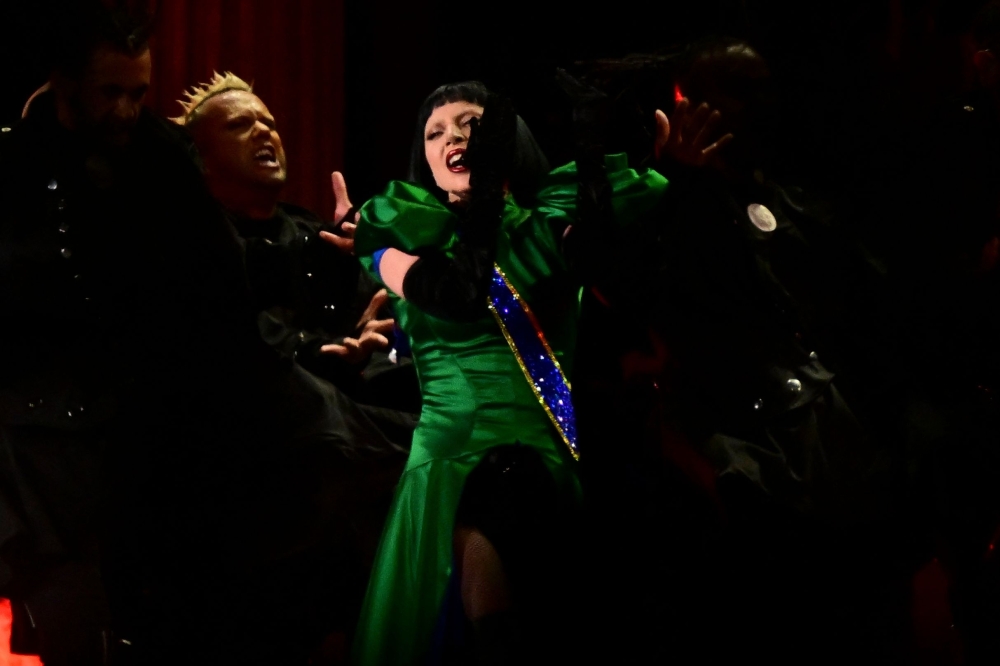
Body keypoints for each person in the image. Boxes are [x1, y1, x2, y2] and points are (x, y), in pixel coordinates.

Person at [0, 4, 390, 664]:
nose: (126, 110)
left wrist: (333, 267)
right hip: (40, 461)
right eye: (109, 92)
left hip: (142, 458)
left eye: (138, 92)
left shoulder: (158, 158)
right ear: (63, 83)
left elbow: (221, 291)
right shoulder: (13, 165)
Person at [332, 79, 726, 665]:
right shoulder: (399, 230)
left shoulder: (548, 220)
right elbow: (458, 295)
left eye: (471, 124)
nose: (453, 138)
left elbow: (620, 267)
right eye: (435, 132)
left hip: (540, 459)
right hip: (444, 464)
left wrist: (681, 178)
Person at [174, 70, 420, 428]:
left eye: (269, 123)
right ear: (201, 159)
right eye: (239, 125)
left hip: (352, 406)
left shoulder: (314, 232)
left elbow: (374, 320)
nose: (263, 131)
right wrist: (331, 352)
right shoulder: (196, 243)